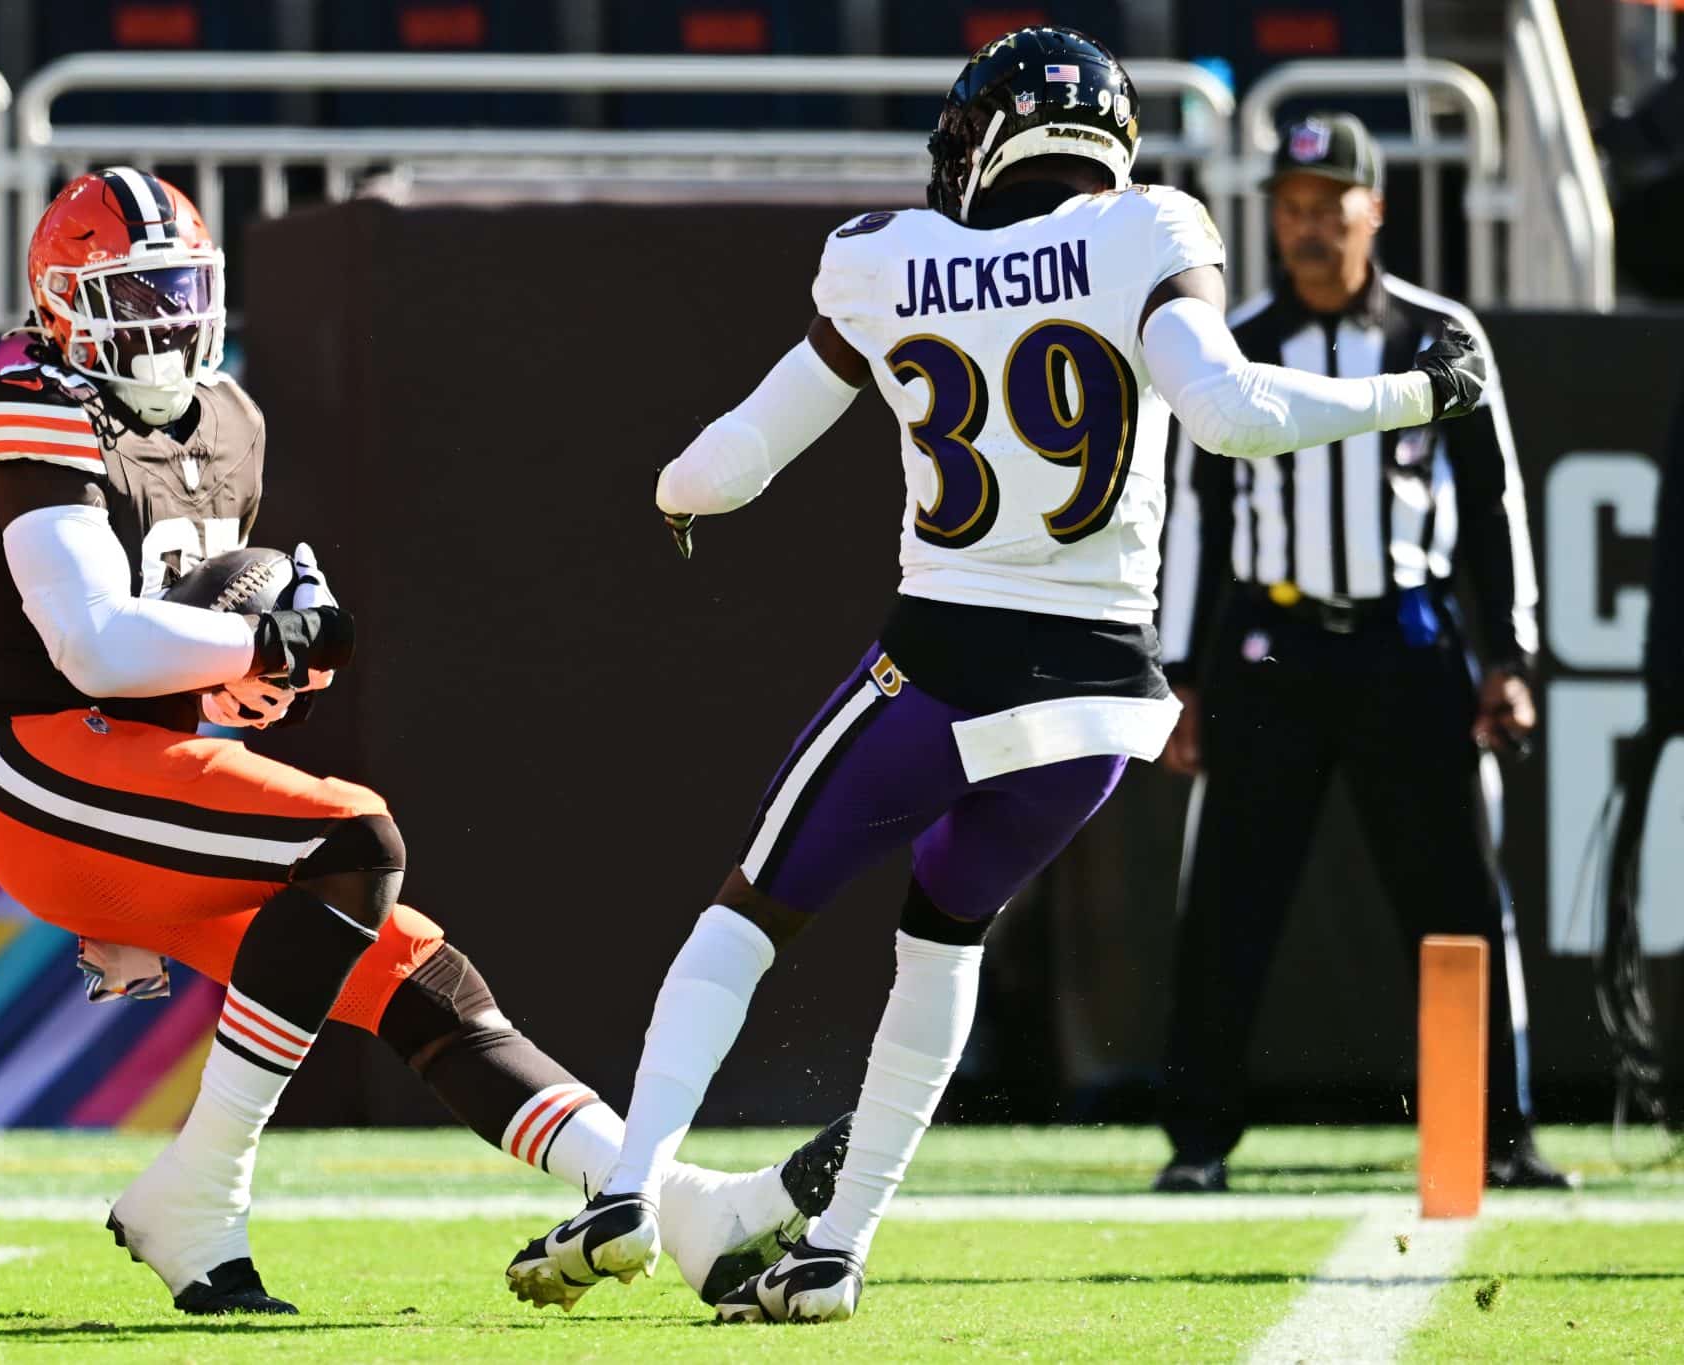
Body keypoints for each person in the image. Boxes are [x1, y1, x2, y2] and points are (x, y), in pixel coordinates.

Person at [514, 29, 1488, 1325]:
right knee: (944, 936)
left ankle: (631, 1186)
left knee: (748, 912)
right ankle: (838, 1243)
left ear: (980, 140)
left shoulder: (884, 258)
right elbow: (1236, 413)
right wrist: (1415, 399)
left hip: (943, 664)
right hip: (1098, 704)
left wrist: (668, 493)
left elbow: (730, 465)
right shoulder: (1148, 228)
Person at [0, 167, 848, 1316]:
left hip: (152, 776)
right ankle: (201, 1185)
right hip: (43, 766)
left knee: (427, 981)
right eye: (132, 294)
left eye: (178, 288)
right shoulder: (28, 402)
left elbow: (188, 664)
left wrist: (267, 673)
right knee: (357, 836)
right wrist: (256, 648)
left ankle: (673, 1204)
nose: (164, 320)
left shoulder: (230, 418)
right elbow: (93, 646)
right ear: (62, 304)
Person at [1152, 113, 1566, 1191]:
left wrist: (1508, 656)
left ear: (1371, 210)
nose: (1306, 232)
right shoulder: (1226, 339)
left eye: (1326, 209)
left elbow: (1491, 504)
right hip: (1268, 647)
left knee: (1458, 899)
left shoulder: (1440, 336)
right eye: (1287, 211)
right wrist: (1180, 676)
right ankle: (1196, 1146)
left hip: (1405, 641)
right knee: (1227, 898)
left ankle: (1491, 1140)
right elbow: (1191, 515)